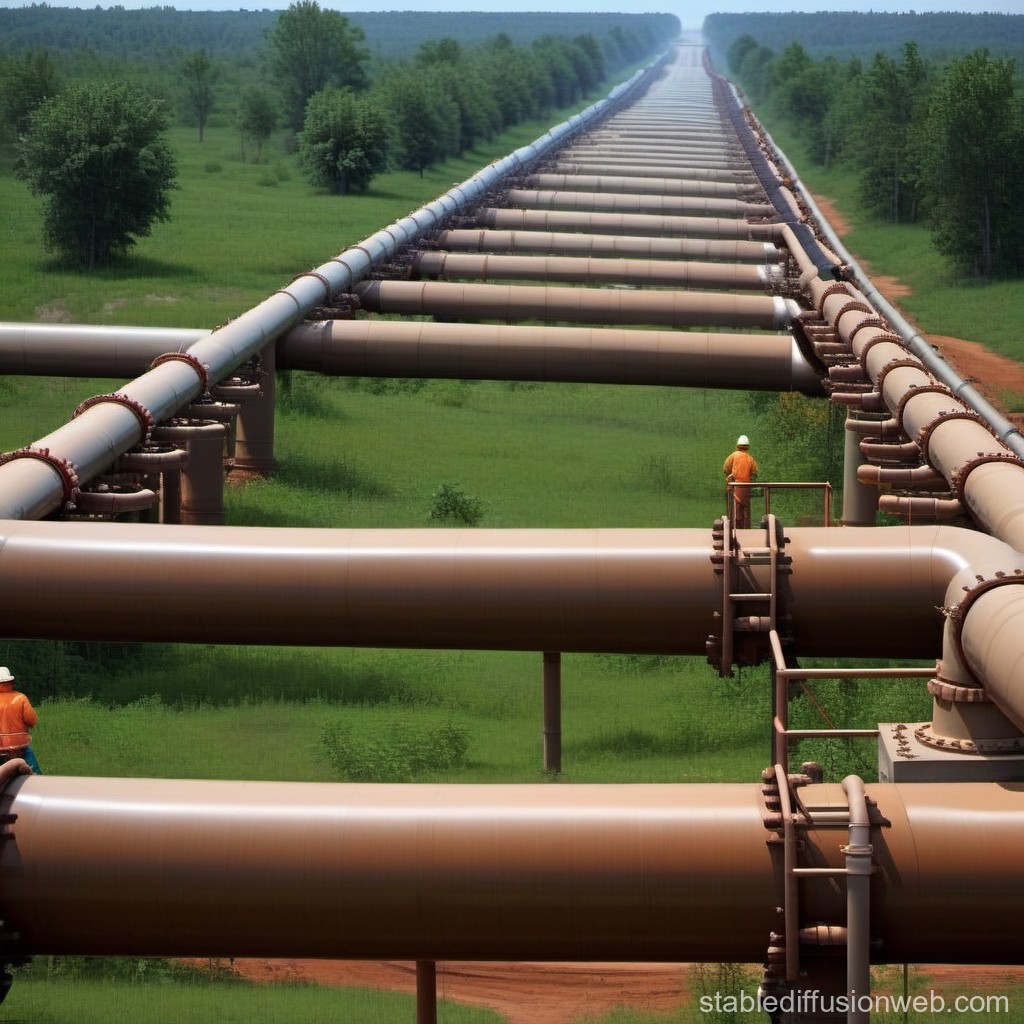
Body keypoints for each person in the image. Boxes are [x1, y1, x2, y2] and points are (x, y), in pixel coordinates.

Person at [0, 667, 40, 773]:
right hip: (19, 747)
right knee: (35, 773)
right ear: (10, 682)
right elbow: (32, 720)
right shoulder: (20, 698)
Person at [722, 434, 759, 529]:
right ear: (748, 447)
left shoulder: (733, 456)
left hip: (735, 486)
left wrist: (730, 475)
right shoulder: (750, 458)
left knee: (734, 507)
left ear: (737, 446)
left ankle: (734, 526)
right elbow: (755, 472)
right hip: (746, 487)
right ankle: (746, 526)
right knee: (745, 507)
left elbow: (725, 468)